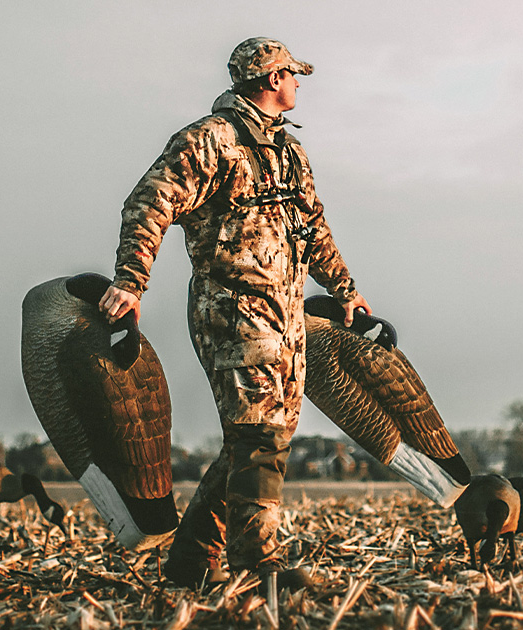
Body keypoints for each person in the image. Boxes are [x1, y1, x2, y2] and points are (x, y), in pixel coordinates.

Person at [98, 37, 371, 588]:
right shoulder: (209, 141)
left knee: (259, 437)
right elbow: (148, 203)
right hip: (235, 313)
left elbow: (313, 229)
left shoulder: (290, 153)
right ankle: (258, 569)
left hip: (287, 319)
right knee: (259, 438)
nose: (298, 83)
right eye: (294, 75)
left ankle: (189, 564)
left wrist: (345, 291)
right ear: (272, 78)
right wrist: (131, 281)